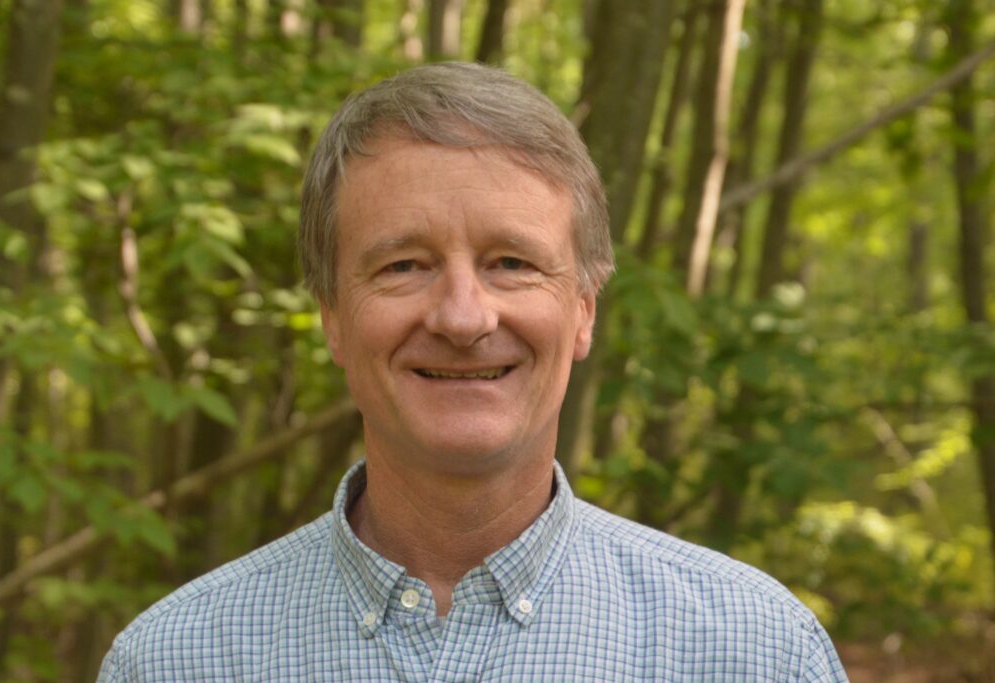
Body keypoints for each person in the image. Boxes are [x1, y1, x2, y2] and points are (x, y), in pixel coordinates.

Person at [98, 62, 848, 682]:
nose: (463, 317)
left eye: (511, 263)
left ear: (583, 308)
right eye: (404, 264)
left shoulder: (755, 652)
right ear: (332, 313)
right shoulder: (173, 659)